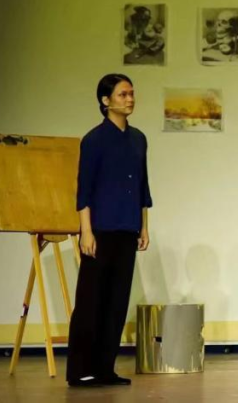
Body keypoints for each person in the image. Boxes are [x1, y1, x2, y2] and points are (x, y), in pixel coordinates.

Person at [67, 74, 152, 388]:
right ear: (106, 101)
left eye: (131, 93)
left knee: (117, 302)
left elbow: (142, 187)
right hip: (100, 230)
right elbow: (84, 190)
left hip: (127, 227)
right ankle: (81, 370)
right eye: (122, 94)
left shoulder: (138, 138)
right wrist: (86, 232)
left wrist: (144, 226)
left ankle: (105, 368)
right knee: (91, 300)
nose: (129, 99)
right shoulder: (94, 140)